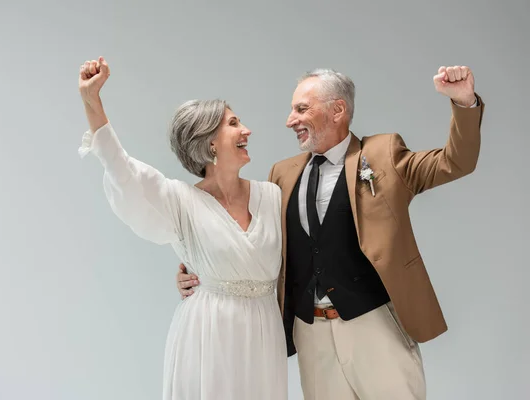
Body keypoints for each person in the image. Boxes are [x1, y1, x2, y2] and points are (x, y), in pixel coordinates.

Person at [177, 65, 484, 399]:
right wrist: (200, 272)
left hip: (374, 324)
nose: (290, 120)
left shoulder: (382, 154)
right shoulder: (282, 174)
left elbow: (456, 161)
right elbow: (254, 239)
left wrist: (464, 103)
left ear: (337, 110)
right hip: (311, 333)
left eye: (301, 109)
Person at [77, 56, 287, 399]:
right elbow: (125, 172)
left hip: (264, 336)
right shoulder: (179, 201)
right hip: (208, 337)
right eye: (234, 123)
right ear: (210, 142)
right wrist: (92, 102)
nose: (247, 129)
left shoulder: (272, 196)